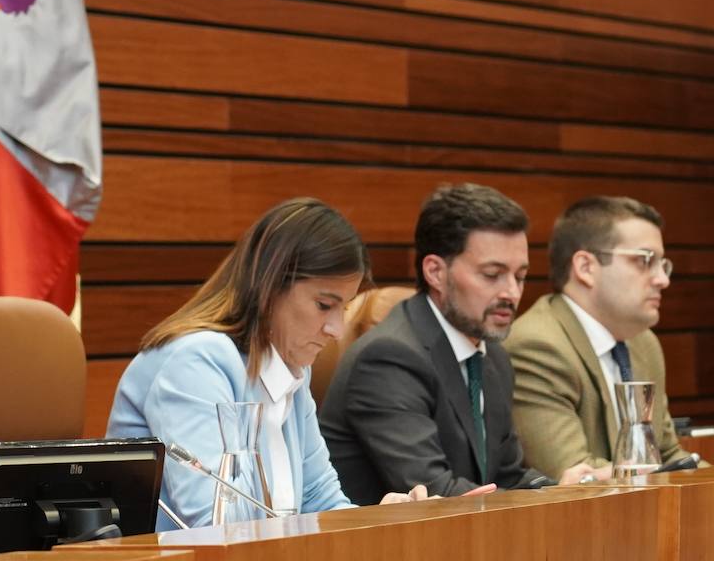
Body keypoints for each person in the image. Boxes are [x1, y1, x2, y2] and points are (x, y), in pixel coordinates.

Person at [106, 197, 426, 530]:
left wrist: (380, 517)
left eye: (343, 310)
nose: (336, 329)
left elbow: (320, 501)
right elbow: (215, 523)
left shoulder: (290, 368)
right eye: (323, 305)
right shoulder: (196, 361)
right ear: (270, 287)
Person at [319, 183, 597, 504]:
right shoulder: (389, 358)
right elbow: (440, 494)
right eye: (492, 274)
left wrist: (563, 491)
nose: (512, 292)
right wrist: (548, 503)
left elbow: (506, 475)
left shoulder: (492, 355)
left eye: (520, 276)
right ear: (436, 272)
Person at [508, 196, 692, 478]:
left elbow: (670, 456)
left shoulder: (643, 342)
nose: (662, 280)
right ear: (586, 267)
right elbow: (575, 475)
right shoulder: (537, 346)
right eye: (644, 260)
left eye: (662, 265)